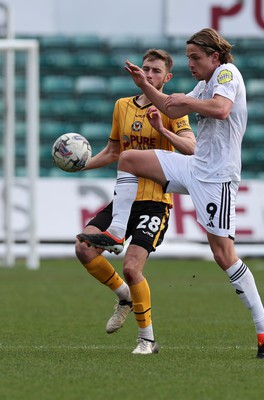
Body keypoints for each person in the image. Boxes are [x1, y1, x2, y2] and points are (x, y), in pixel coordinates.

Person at [77, 29, 264, 359]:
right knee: (129, 158)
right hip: (195, 166)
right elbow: (171, 110)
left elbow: (221, 110)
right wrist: (145, 85)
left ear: (214, 57)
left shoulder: (227, 73)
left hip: (218, 178)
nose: (190, 63)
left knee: (224, 256)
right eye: (187, 57)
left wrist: (184, 100)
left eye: (195, 57)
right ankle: (115, 232)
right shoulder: (204, 83)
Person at [76, 49, 195, 355]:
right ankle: (124, 297)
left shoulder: (173, 108)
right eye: (146, 69)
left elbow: (190, 148)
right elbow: (114, 151)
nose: (149, 74)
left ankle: (147, 339)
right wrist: (81, 163)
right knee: (83, 248)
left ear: (167, 78)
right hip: (125, 200)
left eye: (156, 71)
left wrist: (162, 129)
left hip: (155, 201)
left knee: (132, 266)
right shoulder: (122, 107)